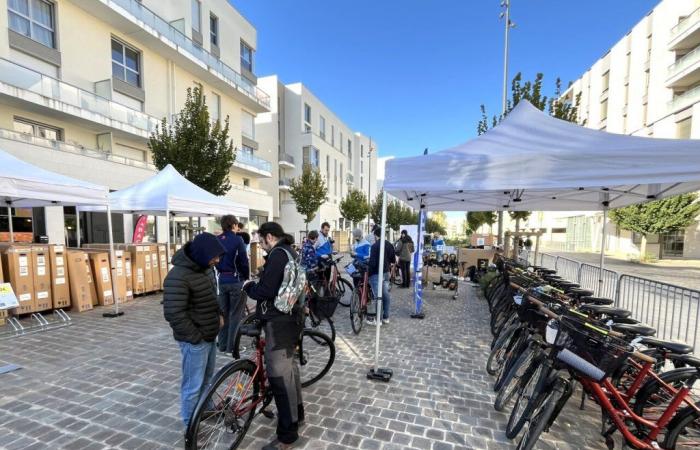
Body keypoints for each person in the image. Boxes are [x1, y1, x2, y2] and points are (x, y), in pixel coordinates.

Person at [243, 222, 304, 450]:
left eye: (261, 241)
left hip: (279, 323)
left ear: (269, 237)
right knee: (290, 371)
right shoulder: (291, 251)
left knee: (279, 378)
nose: (261, 245)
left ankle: (287, 436)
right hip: (292, 318)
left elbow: (266, 291)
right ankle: (297, 414)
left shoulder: (278, 256)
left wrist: (249, 287)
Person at [163, 232, 225, 428]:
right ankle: (191, 426)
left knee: (208, 379)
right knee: (192, 386)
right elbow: (174, 313)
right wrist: (195, 338)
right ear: (200, 254)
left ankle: (205, 409)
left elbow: (212, 296)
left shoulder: (205, 268)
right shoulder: (178, 276)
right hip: (195, 341)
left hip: (209, 334)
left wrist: (219, 315)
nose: (217, 260)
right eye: (213, 256)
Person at [215, 215, 250, 353]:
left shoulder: (217, 240)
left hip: (222, 280)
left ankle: (222, 345)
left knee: (223, 313)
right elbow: (243, 261)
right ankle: (232, 347)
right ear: (234, 225)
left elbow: (215, 260)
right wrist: (246, 277)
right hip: (236, 280)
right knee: (235, 314)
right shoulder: (238, 240)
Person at [367, 226, 395, 325]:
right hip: (386, 272)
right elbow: (393, 260)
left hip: (376, 273)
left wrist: (368, 269)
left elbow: (373, 263)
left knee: (377, 297)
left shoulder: (374, 246)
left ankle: (378, 320)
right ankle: (386, 317)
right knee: (386, 294)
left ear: (375, 235)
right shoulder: (389, 245)